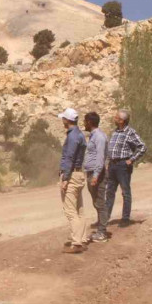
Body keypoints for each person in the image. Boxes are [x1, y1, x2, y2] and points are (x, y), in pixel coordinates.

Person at [105, 109, 147, 228]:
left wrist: (131, 159)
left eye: (117, 117)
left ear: (122, 121)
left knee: (125, 192)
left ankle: (125, 218)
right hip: (113, 165)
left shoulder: (130, 132)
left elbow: (142, 147)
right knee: (109, 192)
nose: (115, 119)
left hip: (123, 166)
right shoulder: (115, 132)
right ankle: (105, 218)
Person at [58, 108, 89, 254]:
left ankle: (76, 244)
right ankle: (81, 239)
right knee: (79, 210)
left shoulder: (71, 137)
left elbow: (69, 158)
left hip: (71, 176)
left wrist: (65, 179)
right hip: (79, 174)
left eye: (63, 118)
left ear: (67, 120)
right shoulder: (80, 135)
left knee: (70, 211)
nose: (62, 121)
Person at [83, 112, 109, 242]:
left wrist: (96, 175)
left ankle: (102, 233)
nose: (83, 124)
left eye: (85, 121)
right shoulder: (94, 136)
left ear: (89, 122)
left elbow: (100, 157)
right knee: (97, 203)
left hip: (96, 174)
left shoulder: (99, 137)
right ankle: (100, 229)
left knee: (100, 203)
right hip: (92, 172)